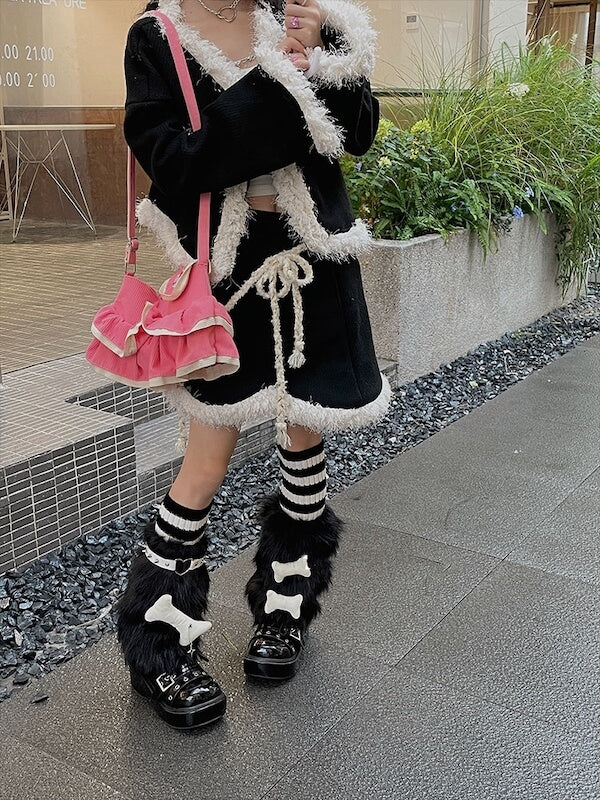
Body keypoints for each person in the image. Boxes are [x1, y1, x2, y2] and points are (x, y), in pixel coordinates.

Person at [116, 0, 390, 730]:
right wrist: (276, 82)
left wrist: (323, 54)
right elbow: (174, 161)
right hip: (226, 282)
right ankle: (158, 644)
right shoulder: (158, 35)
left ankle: (286, 605)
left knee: (305, 437)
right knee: (205, 463)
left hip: (315, 265)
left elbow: (357, 133)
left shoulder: (293, 13)